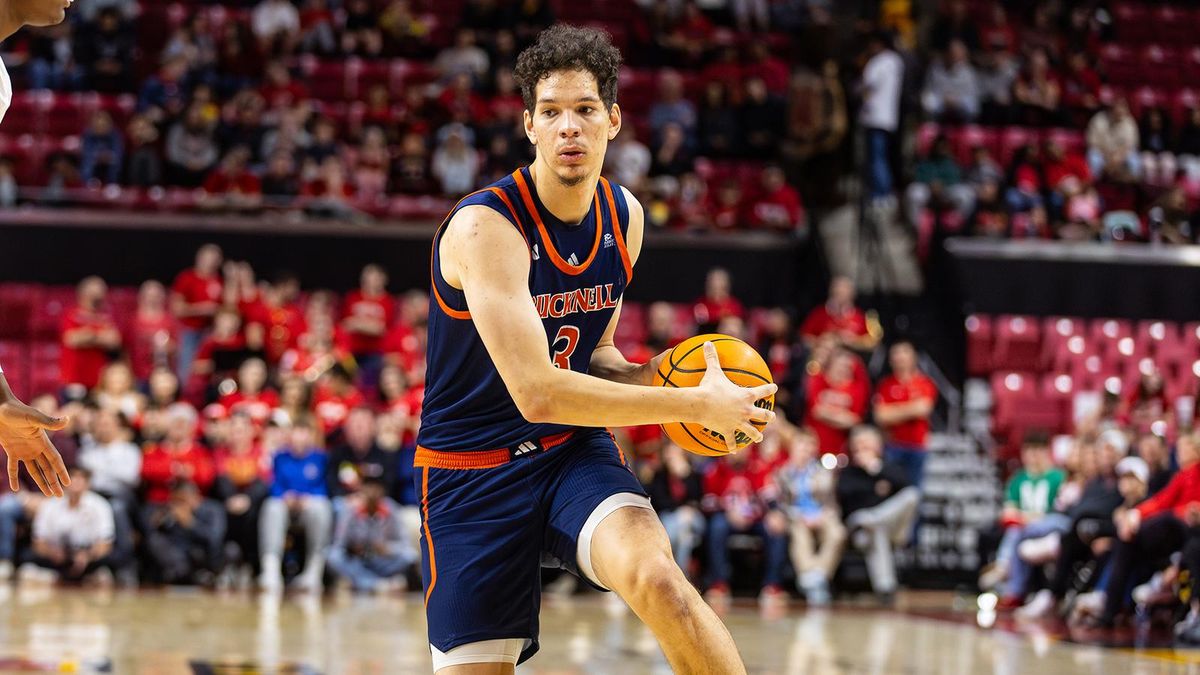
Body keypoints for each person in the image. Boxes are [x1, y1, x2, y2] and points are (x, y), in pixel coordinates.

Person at [416, 25, 774, 673]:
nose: (569, 127)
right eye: (551, 112)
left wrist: (698, 392)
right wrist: (692, 399)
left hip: (568, 451)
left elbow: (597, 354)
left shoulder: (624, 217)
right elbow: (538, 388)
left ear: (612, 120)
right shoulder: (485, 227)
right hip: (471, 472)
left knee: (660, 580)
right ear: (528, 126)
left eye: (584, 109)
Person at [836, 425, 920, 604]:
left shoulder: (887, 468)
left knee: (911, 496)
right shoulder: (848, 471)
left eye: (866, 445)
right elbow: (846, 494)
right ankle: (886, 589)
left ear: (878, 446)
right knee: (874, 528)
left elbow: (903, 484)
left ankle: (873, 519)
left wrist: (875, 469)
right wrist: (875, 486)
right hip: (859, 532)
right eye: (858, 445)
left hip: (890, 528)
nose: (861, 450)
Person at [873, 341, 938, 488]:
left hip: (917, 447)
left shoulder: (924, 383)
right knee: (890, 489)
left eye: (904, 353)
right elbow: (881, 416)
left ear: (913, 357)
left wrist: (893, 410)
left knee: (914, 491)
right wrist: (911, 409)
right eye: (896, 354)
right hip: (893, 446)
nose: (900, 357)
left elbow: (923, 409)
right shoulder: (886, 385)